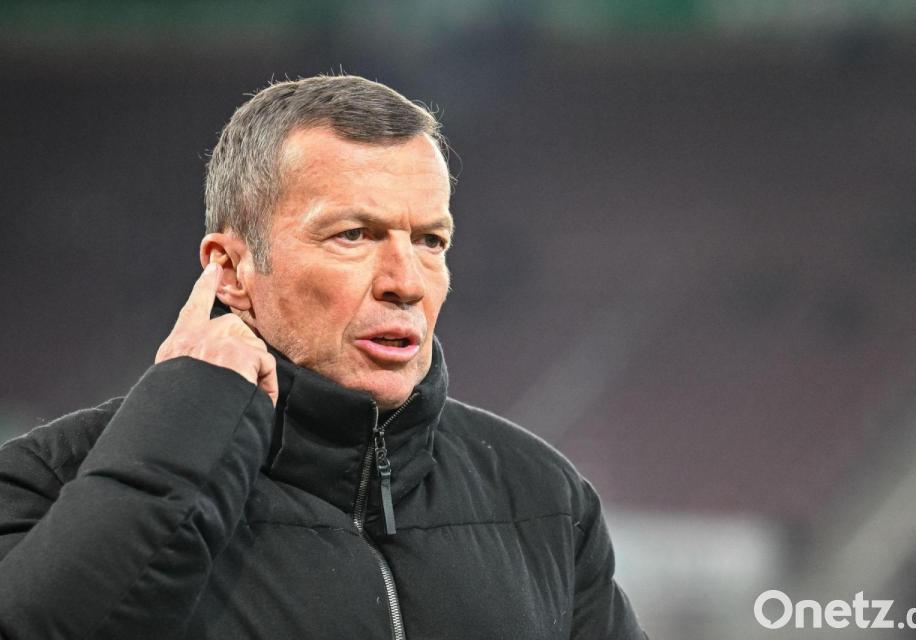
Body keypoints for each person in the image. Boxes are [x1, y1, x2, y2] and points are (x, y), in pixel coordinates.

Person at [0, 75, 645, 639]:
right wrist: (186, 420)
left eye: (430, 240)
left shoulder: (545, 497)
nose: (406, 282)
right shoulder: (46, 482)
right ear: (232, 270)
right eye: (354, 235)